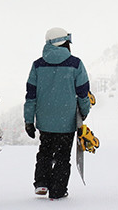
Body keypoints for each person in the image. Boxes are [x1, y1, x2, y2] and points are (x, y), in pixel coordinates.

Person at [24, 27, 91, 200]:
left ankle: (41, 183)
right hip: (66, 121)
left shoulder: (37, 65)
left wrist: (29, 120)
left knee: (44, 152)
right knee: (62, 156)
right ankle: (58, 190)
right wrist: (84, 112)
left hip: (45, 120)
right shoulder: (75, 64)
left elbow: (30, 95)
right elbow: (83, 92)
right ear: (65, 42)